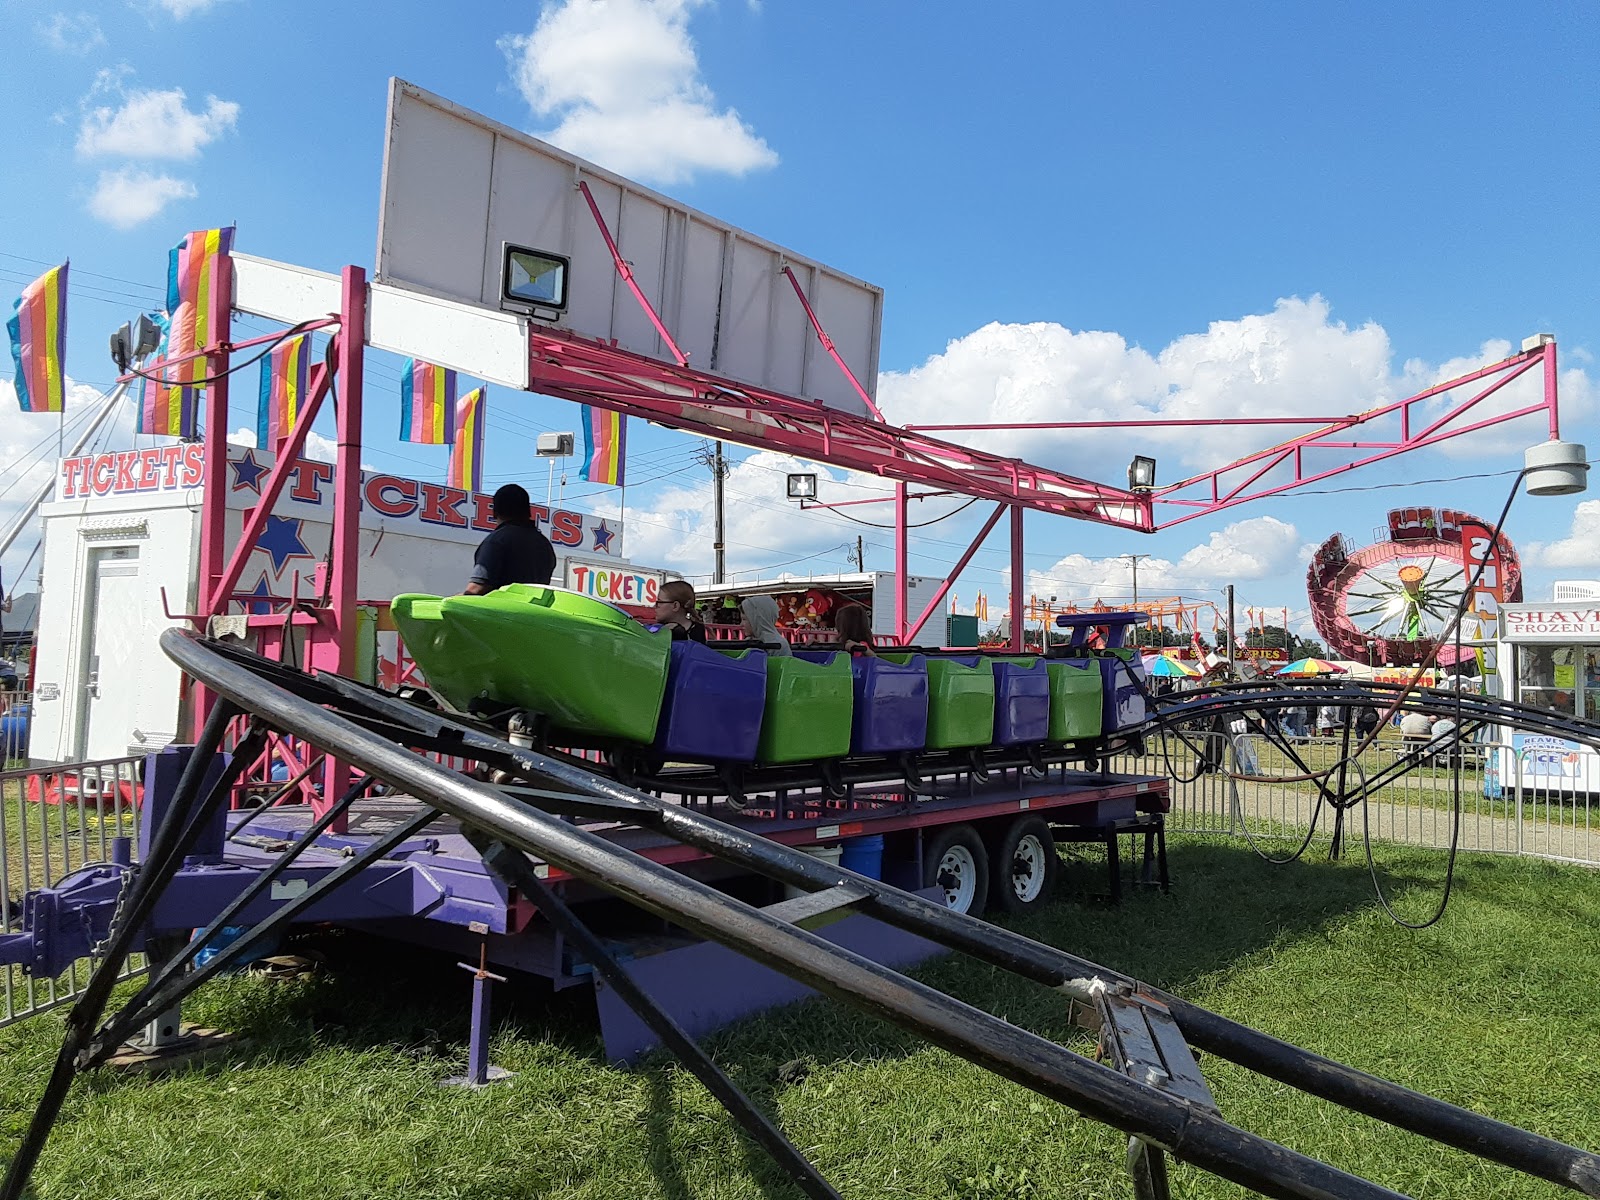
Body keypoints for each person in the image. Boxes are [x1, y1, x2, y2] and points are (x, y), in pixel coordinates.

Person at [464, 484, 556, 595]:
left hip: (497, 611)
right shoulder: (544, 545)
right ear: (528, 512)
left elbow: (476, 589)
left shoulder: (498, 541)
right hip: (530, 611)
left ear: (495, 512)